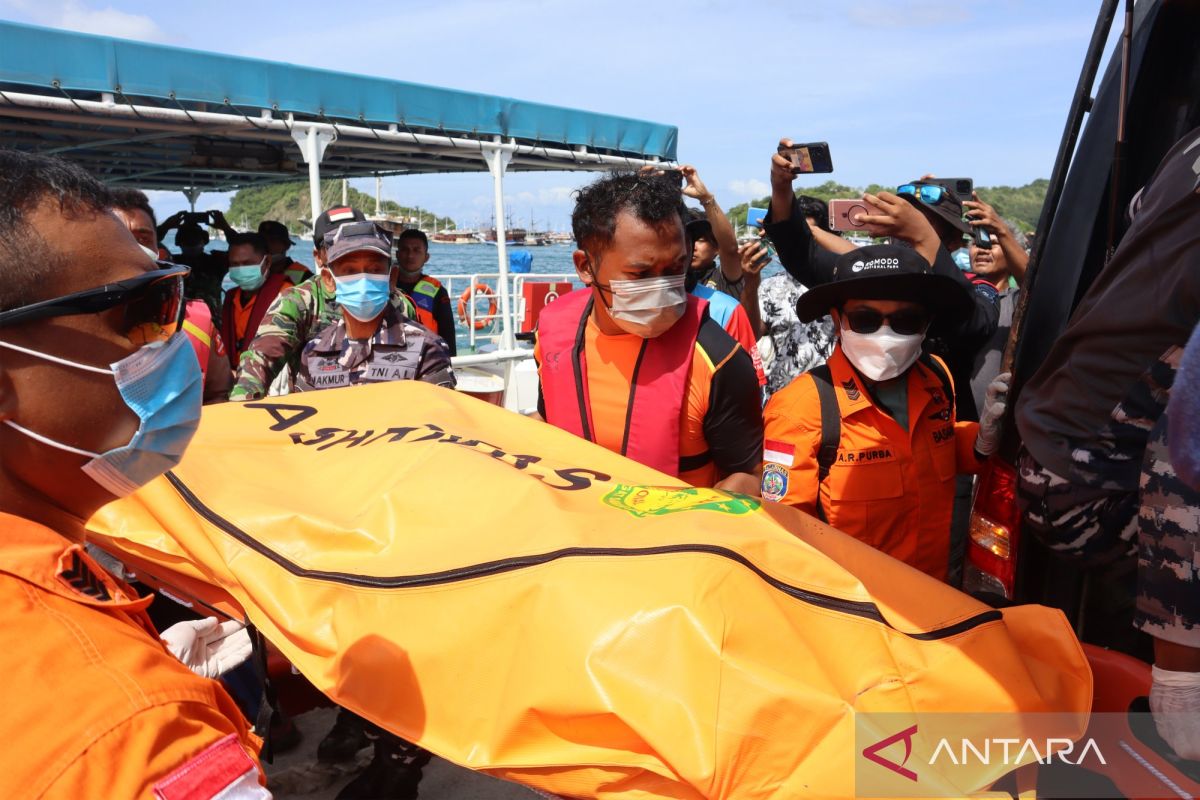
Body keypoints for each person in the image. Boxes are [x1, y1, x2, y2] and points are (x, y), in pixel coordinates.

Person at [0, 150, 265, 798]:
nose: (170, 346)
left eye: (172, 298)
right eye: (142, 311)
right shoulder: (148, 742)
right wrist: (143, 691)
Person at [1014, 126, 1200, 761]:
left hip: (1052, 449)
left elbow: (1138, 212)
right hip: (1100, 484)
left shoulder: (1185, 148)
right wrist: (1183, 684)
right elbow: (1186, 456)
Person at [291, 220, 452, 799]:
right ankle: (356, 718)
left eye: (374, 268)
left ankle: (399, 767)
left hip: (403, 525)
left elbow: (446, 440)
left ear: (390, 273)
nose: (363, 279)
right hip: (339, 524)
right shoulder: (315, 353)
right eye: (350, 269)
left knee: (408, 646)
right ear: (329, 276)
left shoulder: (424, 348)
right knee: (351, 638)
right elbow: (300, 442)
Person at [761, 243, 1009, 580]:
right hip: (856, 612)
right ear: (837, 320)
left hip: (934, 595)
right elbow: (785, 536)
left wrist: (982, 438)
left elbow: (940, 446)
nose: (885, 334)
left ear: (927, 324)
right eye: (865, 319)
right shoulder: (801, 408)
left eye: (906, 320)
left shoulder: (937, 378)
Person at [535, 171, 763, 492]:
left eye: (674, 269)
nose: (662, 286)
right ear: (586, 267)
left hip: (675, 537)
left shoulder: (718, 358)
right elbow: (546, 418)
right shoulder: (552, 334)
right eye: (640, 274)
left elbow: (750, 477)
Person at [763, 139, 999, 422]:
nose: (904, 231)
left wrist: (922, 237)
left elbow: (972, 323)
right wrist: (781, 187)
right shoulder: (870, 277)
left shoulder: (975, 294)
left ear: (952, 242)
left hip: (939, 430)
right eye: (900, 220)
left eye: (919, 224)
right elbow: (802, 254)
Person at [230, 206, 415, 401]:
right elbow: (261, 357)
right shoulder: (298, 302)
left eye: (353, 241)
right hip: (318, 417)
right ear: (319, 257)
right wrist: (242, 403)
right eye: (332, 243)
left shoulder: (398, 303)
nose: (345, 248)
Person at [110, 188, 233, 403]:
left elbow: (246, 250)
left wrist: (224, 227)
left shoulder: (214, 262)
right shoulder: (172, 262)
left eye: (142, 238)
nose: (134, 249)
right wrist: (166, 225)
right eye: (122, 238)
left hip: (198, 329)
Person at [746, 196, 838, 398]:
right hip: (782, 399)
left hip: (836, 399)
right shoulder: (770, 286)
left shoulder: (843, 282)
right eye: (794, 237)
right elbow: (751, 335)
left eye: (807, 237)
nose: (800, 245)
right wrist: (750, 284)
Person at [961, 195, 1029, 413]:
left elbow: (1036, 285)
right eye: (975, 242)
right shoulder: (957, 295)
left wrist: (1001, 230)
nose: (981, 249)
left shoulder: (1018, 301)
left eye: (993, 244)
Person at [221, 231, 298, 370]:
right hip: (233, 376)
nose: (240, 269)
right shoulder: (231, 297)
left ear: (267, 261)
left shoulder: (285, 293)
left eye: (247, 263)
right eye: (234, 264)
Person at [679, 165, 745, 301]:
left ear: (717, 248)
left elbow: (730, 249)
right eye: (688, 240)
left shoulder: (723, 277)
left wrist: (705, 198)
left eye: (700, 240)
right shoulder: (672, 280)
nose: (693, 247)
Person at [394, 228, 457, 355]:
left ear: (426, 257)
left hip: (426, 357)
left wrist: (452, 362)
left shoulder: (438, 291)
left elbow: (448, 332)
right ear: (397, 254)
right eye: (405, 250)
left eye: (417, 250)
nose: (410, 255)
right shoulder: (383, 286)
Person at [258, 219, 311, 284]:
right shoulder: (254, 273)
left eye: (273, 241)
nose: (266, 245)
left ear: (287, 246)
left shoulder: (303, 275)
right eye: (262, 241)